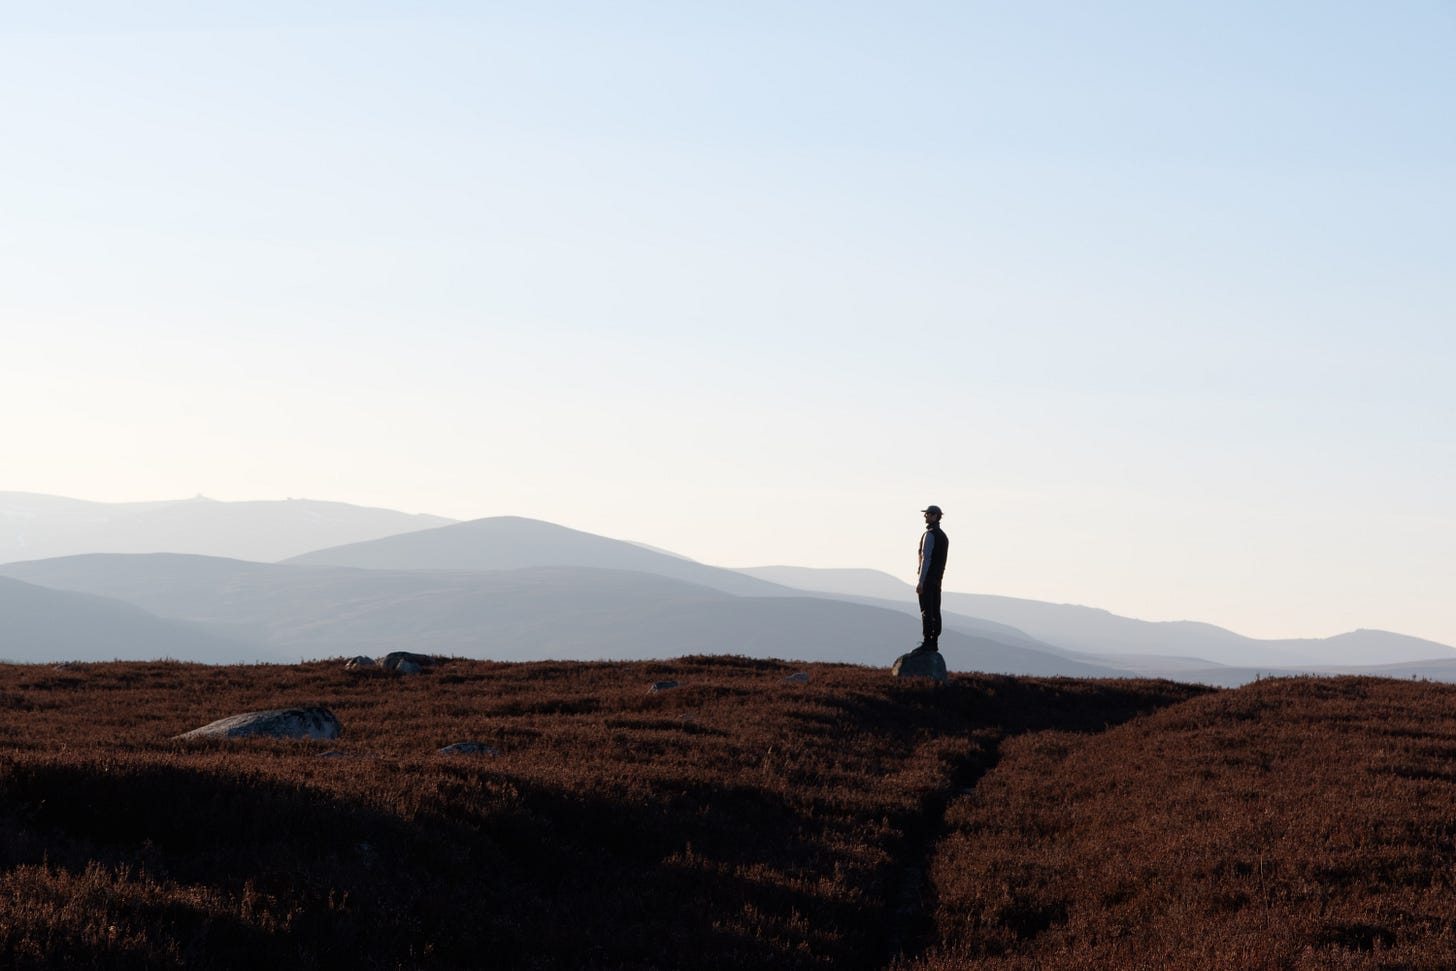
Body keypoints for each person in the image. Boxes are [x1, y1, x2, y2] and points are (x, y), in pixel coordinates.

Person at [913, 505, 948, 654]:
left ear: (934, 516)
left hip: (928, 579)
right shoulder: (944, 537)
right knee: (935, 609)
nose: (925, 517)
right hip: (938, 579)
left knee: (926, 610)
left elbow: (926, 558)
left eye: (927, 514)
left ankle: (927, 640)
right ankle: (934, 641)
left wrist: (921, 581)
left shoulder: (930, 535)